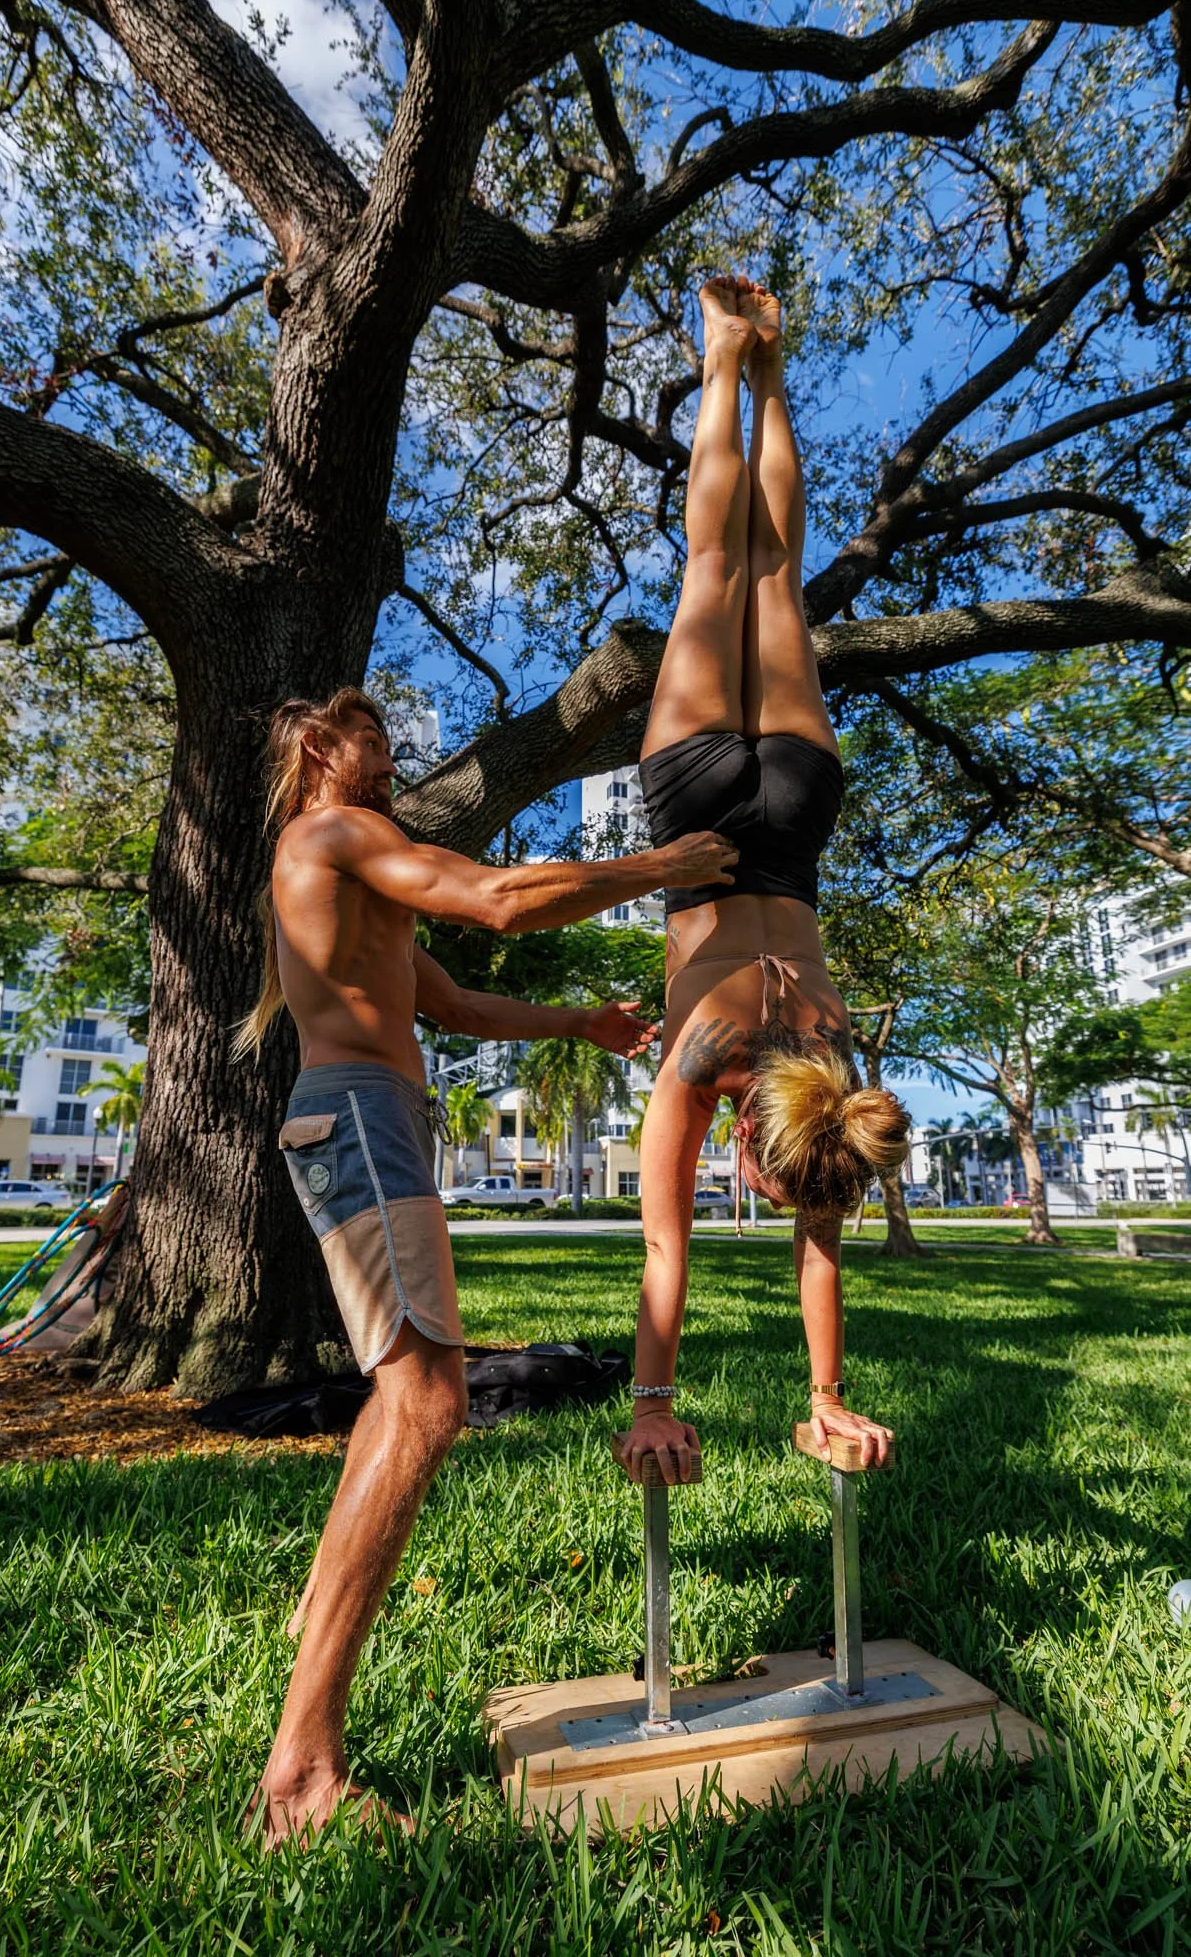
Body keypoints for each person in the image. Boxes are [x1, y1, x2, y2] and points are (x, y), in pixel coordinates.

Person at [234, 687, 736, 1846]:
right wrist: (662, 865)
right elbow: (500, 899)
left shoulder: (349, 875)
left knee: (400, 1396)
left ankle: (315, 1629)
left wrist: (578, 1024)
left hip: (372, 1117)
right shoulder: (332, 832)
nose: (391, 757)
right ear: (318, 748)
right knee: (428, 1402)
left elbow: (450, 1000)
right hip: (361, 1118)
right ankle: (302, 1776)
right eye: (372, 739)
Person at [615, 277, 910, 1492]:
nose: (779, 1204)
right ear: (752, 1135)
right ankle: (722, 357)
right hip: (695, 811)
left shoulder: (833, 1074)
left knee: (770, 577)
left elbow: (817, 1244)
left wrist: (830, 1393)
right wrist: (654, 1402)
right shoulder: (704, 1064)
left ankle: (764, 366)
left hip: (794, 815)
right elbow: (664, 1246)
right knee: (713, 564)